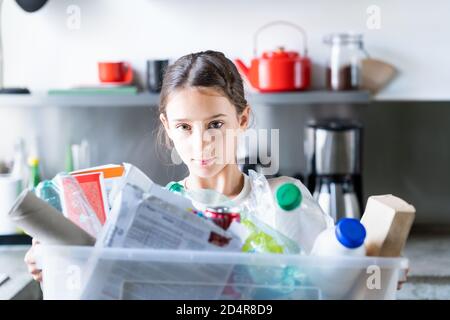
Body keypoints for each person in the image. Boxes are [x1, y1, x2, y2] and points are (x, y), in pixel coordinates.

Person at [24, 50, 407, 289]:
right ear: (167, 127)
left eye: (215, 124)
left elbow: (332, 280)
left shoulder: (282, 199)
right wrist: (56, 262)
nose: (200, 142)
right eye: (184, 128)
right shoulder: (151, 211)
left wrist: (375, 271)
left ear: (242, 119)